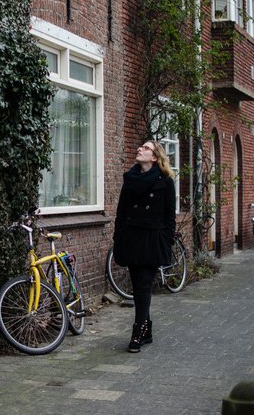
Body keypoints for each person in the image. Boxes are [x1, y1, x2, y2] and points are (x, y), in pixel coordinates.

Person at [113, 140, 176, 353]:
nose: (140, 149)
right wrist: (118, 237)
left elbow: (169, 216)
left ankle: (138, 333)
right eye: (140, 147)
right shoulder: (130, 179)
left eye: (146, 148)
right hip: (132, 237)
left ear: (155, 157)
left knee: (144, 285)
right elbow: (121, 212)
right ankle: (147, 330)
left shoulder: (165, 181)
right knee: (138, 286)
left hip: (152, 238)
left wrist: (166, 240)